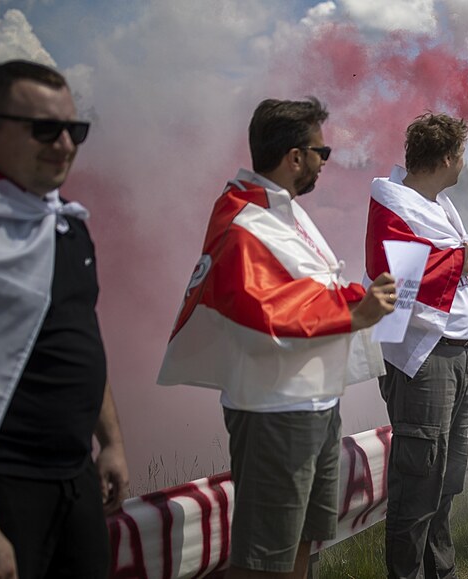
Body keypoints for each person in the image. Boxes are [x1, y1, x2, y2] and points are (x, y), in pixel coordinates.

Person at [158, 97, 396, 578]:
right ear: (295, 157)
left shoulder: (277, 210)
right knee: (266, 555)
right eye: (320, 153)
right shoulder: (245, 221)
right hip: (275, 411)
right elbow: (259, 307)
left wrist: (359, 297)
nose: (323, 164)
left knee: (304, 539)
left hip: (312, 402)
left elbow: (308, 287)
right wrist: (354, 314)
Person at [0, 60, 129, 579]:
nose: (65, 145)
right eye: (44, 129)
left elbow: (82, 338)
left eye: (76, 130)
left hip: (75, 476)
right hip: (7, 482)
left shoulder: (66, 224)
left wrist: (111, 441)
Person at [365, 113, 468, 579]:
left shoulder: (434, 205)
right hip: (424, 359)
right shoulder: (394, 204)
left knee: (445, 480)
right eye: (463, 157)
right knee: (418, 484)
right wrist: (459, 258)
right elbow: (395, 280)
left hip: (454, 353)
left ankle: (441, 572)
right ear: (449, 157)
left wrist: (458, 261)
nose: (464, 167)